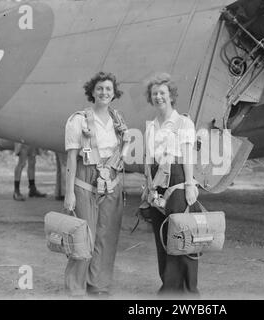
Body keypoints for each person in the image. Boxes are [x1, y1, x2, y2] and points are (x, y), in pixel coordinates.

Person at [63, 71, 130, 297]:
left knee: (107, 236)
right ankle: (76, 288)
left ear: (114, 94)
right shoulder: (78, 120)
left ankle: (98, 285)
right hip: (85, 182)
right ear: (92, 92)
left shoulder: (117, 119)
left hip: (112, 182)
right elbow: (71, 158)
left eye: (108, 89)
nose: (104, 93)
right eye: (100, 88)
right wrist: (69, 192)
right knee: (84, 237)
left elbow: (123, 150)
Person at [141, 72, 201, 296]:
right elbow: (149, 158)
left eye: (162, 93)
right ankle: (168, 286)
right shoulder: (151, 126)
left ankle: (188, 289)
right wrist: (148, 186)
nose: (158, 97)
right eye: (154, 93)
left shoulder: (183, 122)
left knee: (182, 233)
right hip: (156, 181)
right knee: (161, 235)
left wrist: (189, 184)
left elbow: (187, 156)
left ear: (171, 96)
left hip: (176, 180)